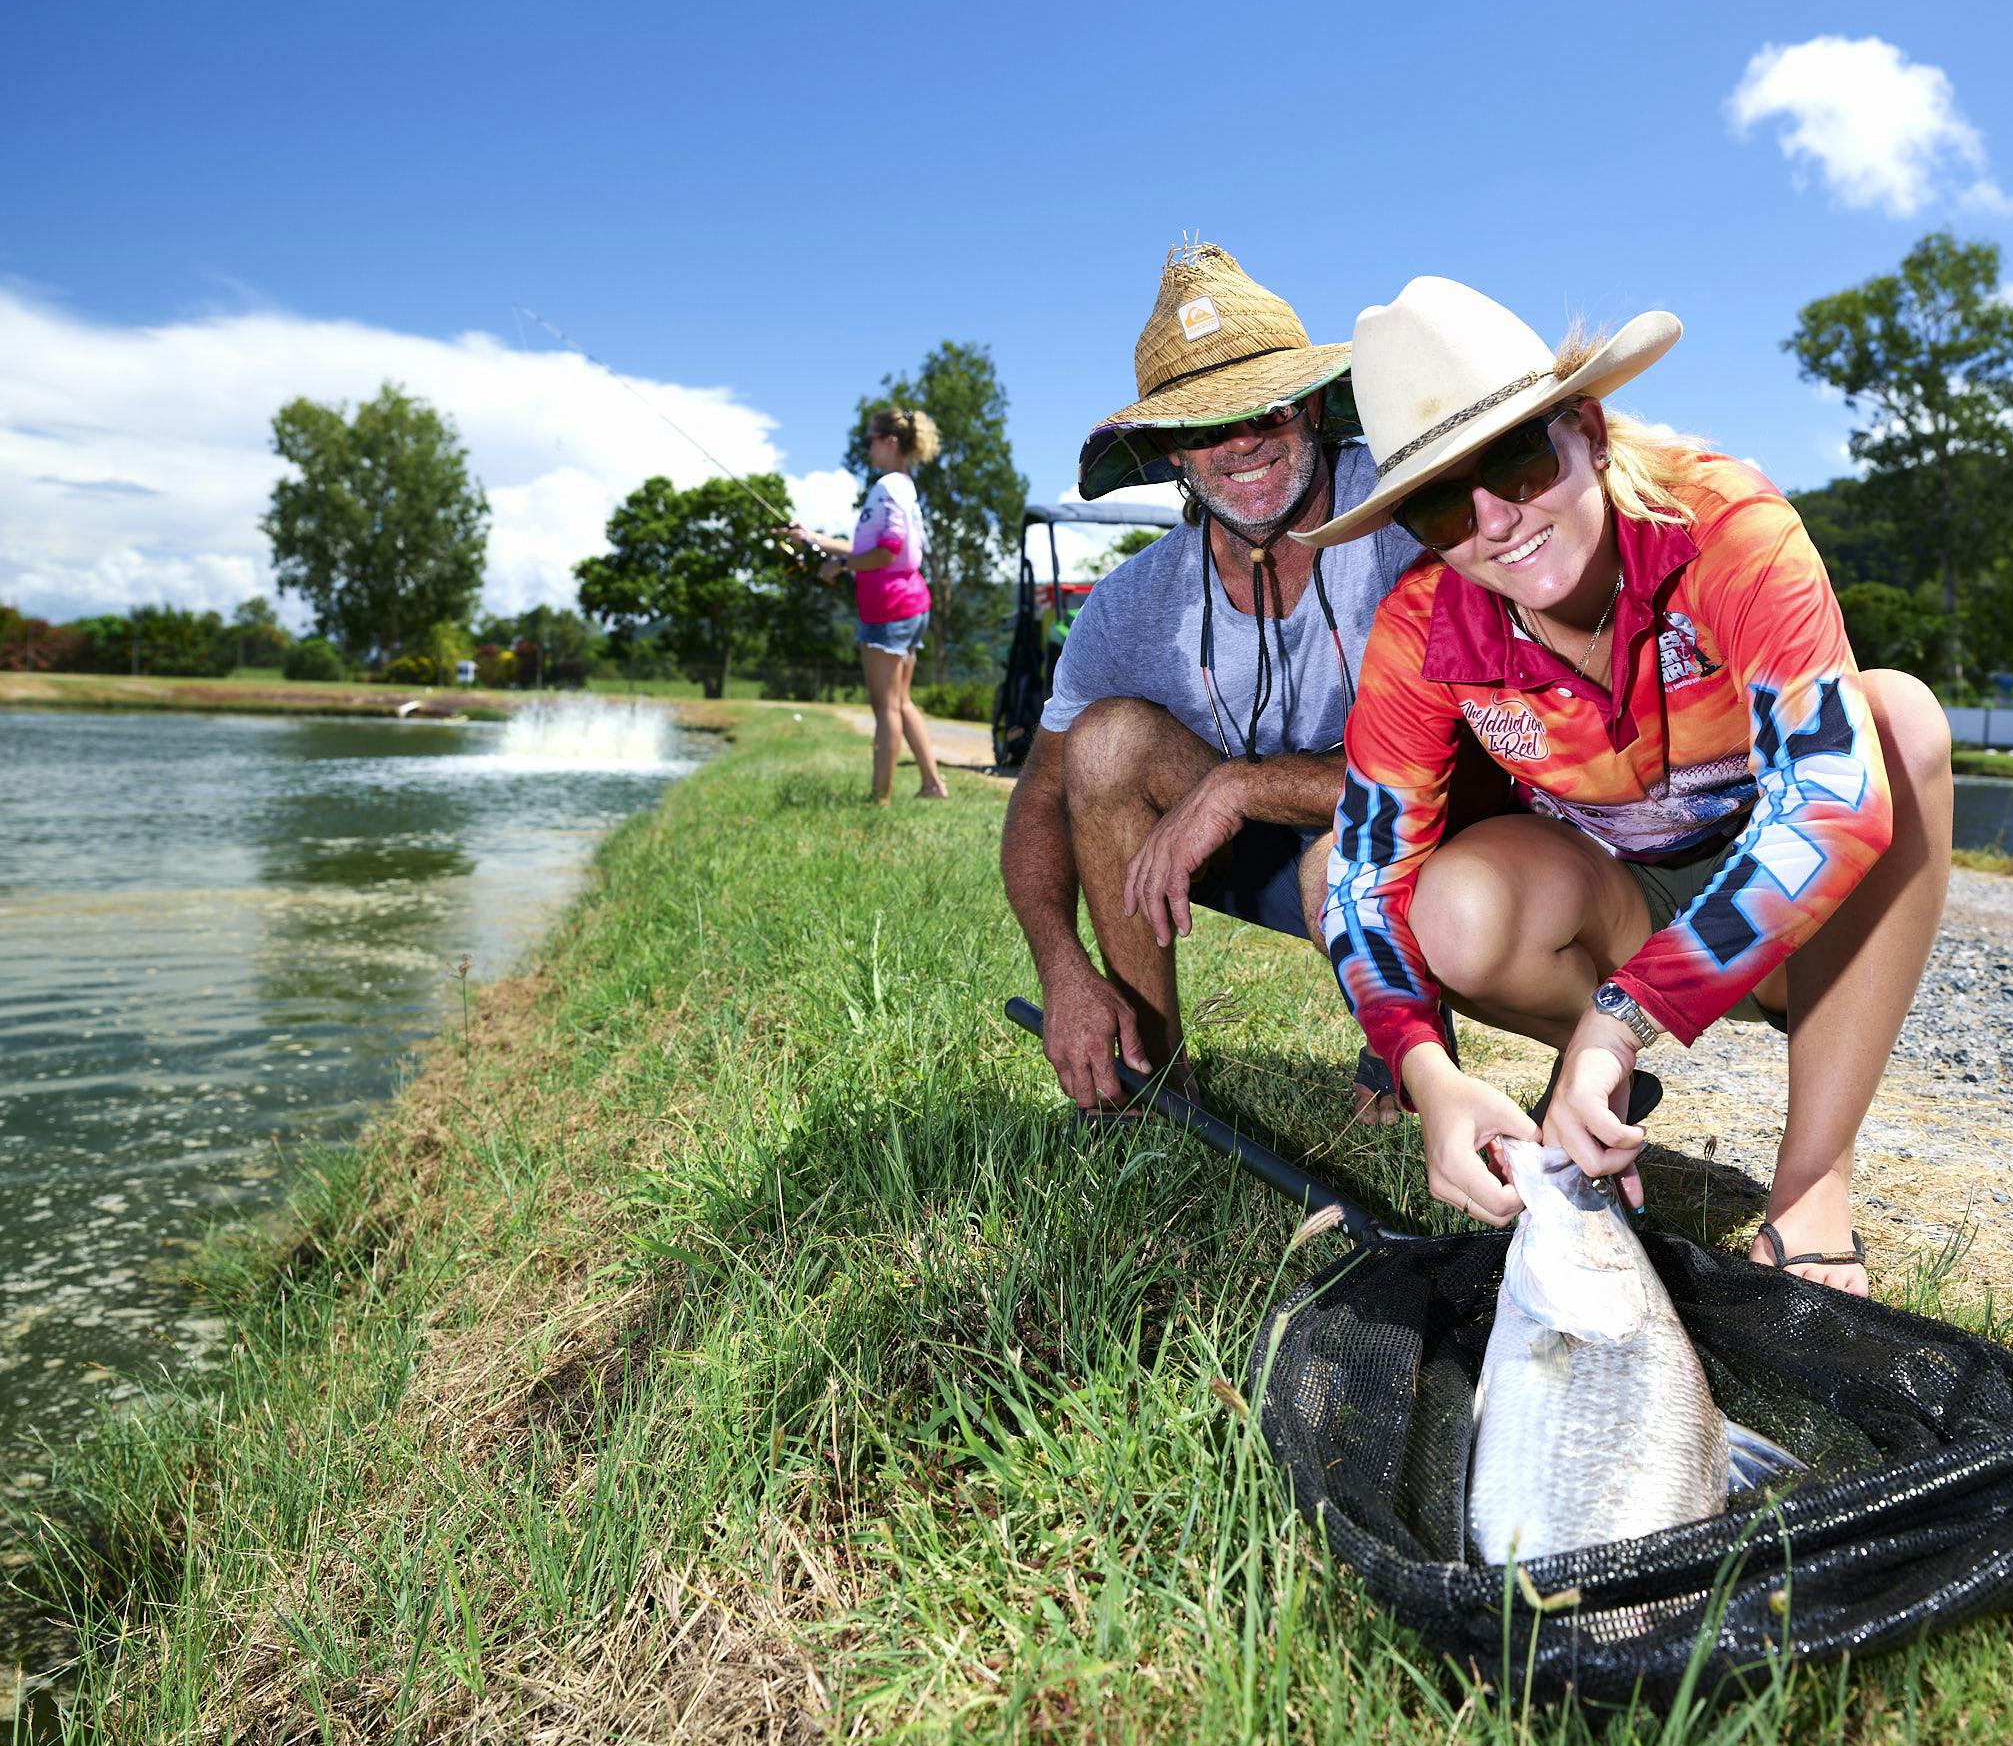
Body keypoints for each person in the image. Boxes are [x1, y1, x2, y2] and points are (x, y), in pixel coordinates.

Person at [1298, 276, 1954, 1297]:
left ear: (1590, 432)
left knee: (1900, 721)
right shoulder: (1419, 626)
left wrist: (1624, 1018)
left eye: (1517, 461)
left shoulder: (1725, 520)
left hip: (1800, 923)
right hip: (1614, 896)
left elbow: (1833, 795)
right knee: (1436, 901)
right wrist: (1428, 1074)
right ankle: (1595, 1098)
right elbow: (1362, 880)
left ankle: (1811, 1184)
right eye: (1440, 505)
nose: (1495, 521)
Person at [1000, 243, 1427, 1116]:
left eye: (1267, 409)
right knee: (1103, 743)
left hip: (1417, 833)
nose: (1241, 444)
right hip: (1246, 847)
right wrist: (1061, 967)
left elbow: (1458, 765)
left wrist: (1241, 786)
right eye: (1203, 425)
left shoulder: (1411, 518)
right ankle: (1153, 1082)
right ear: (1170, 452)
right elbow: (1038, 796)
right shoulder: (1132, 603)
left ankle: (1409, 1044)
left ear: (1314, 406)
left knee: (1338, 863)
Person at [786, 405, 950, 804]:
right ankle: (932, 784)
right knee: (902, 701)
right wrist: (815, 540)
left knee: (886, 707)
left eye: (869, 440)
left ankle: (880, 798)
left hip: (888, 608)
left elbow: (887, 551)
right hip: (911, 602)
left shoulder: (887, 488)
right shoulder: (905, 487)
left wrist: (840, 567)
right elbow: (872, 547)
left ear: (889, 441)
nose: (866, 448)